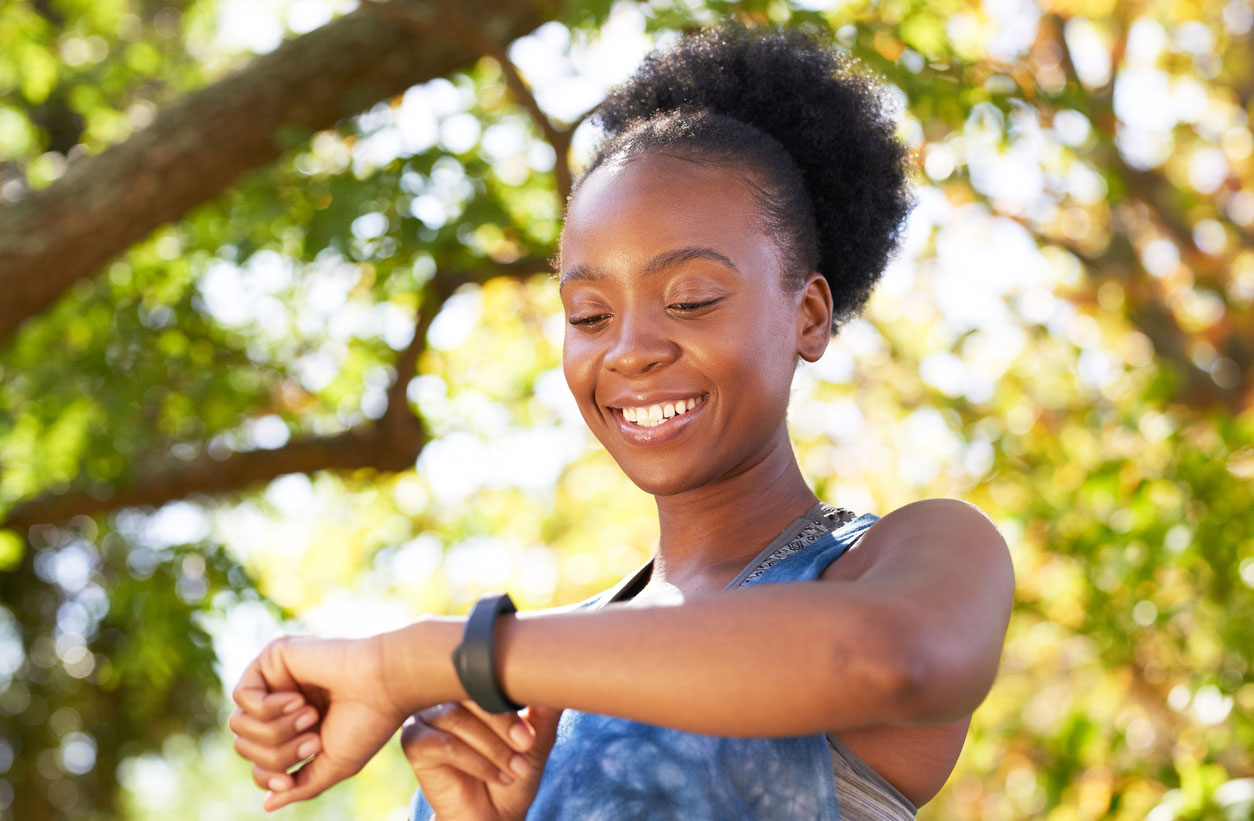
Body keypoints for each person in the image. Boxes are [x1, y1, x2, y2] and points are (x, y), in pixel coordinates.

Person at [228, 23, 1014, 819]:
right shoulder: (513, 691)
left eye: (691, 300)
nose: (631, 351)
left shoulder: (902, 559)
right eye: (590, 314)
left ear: (808, 315)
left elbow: (893, 657)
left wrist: (419, 660)